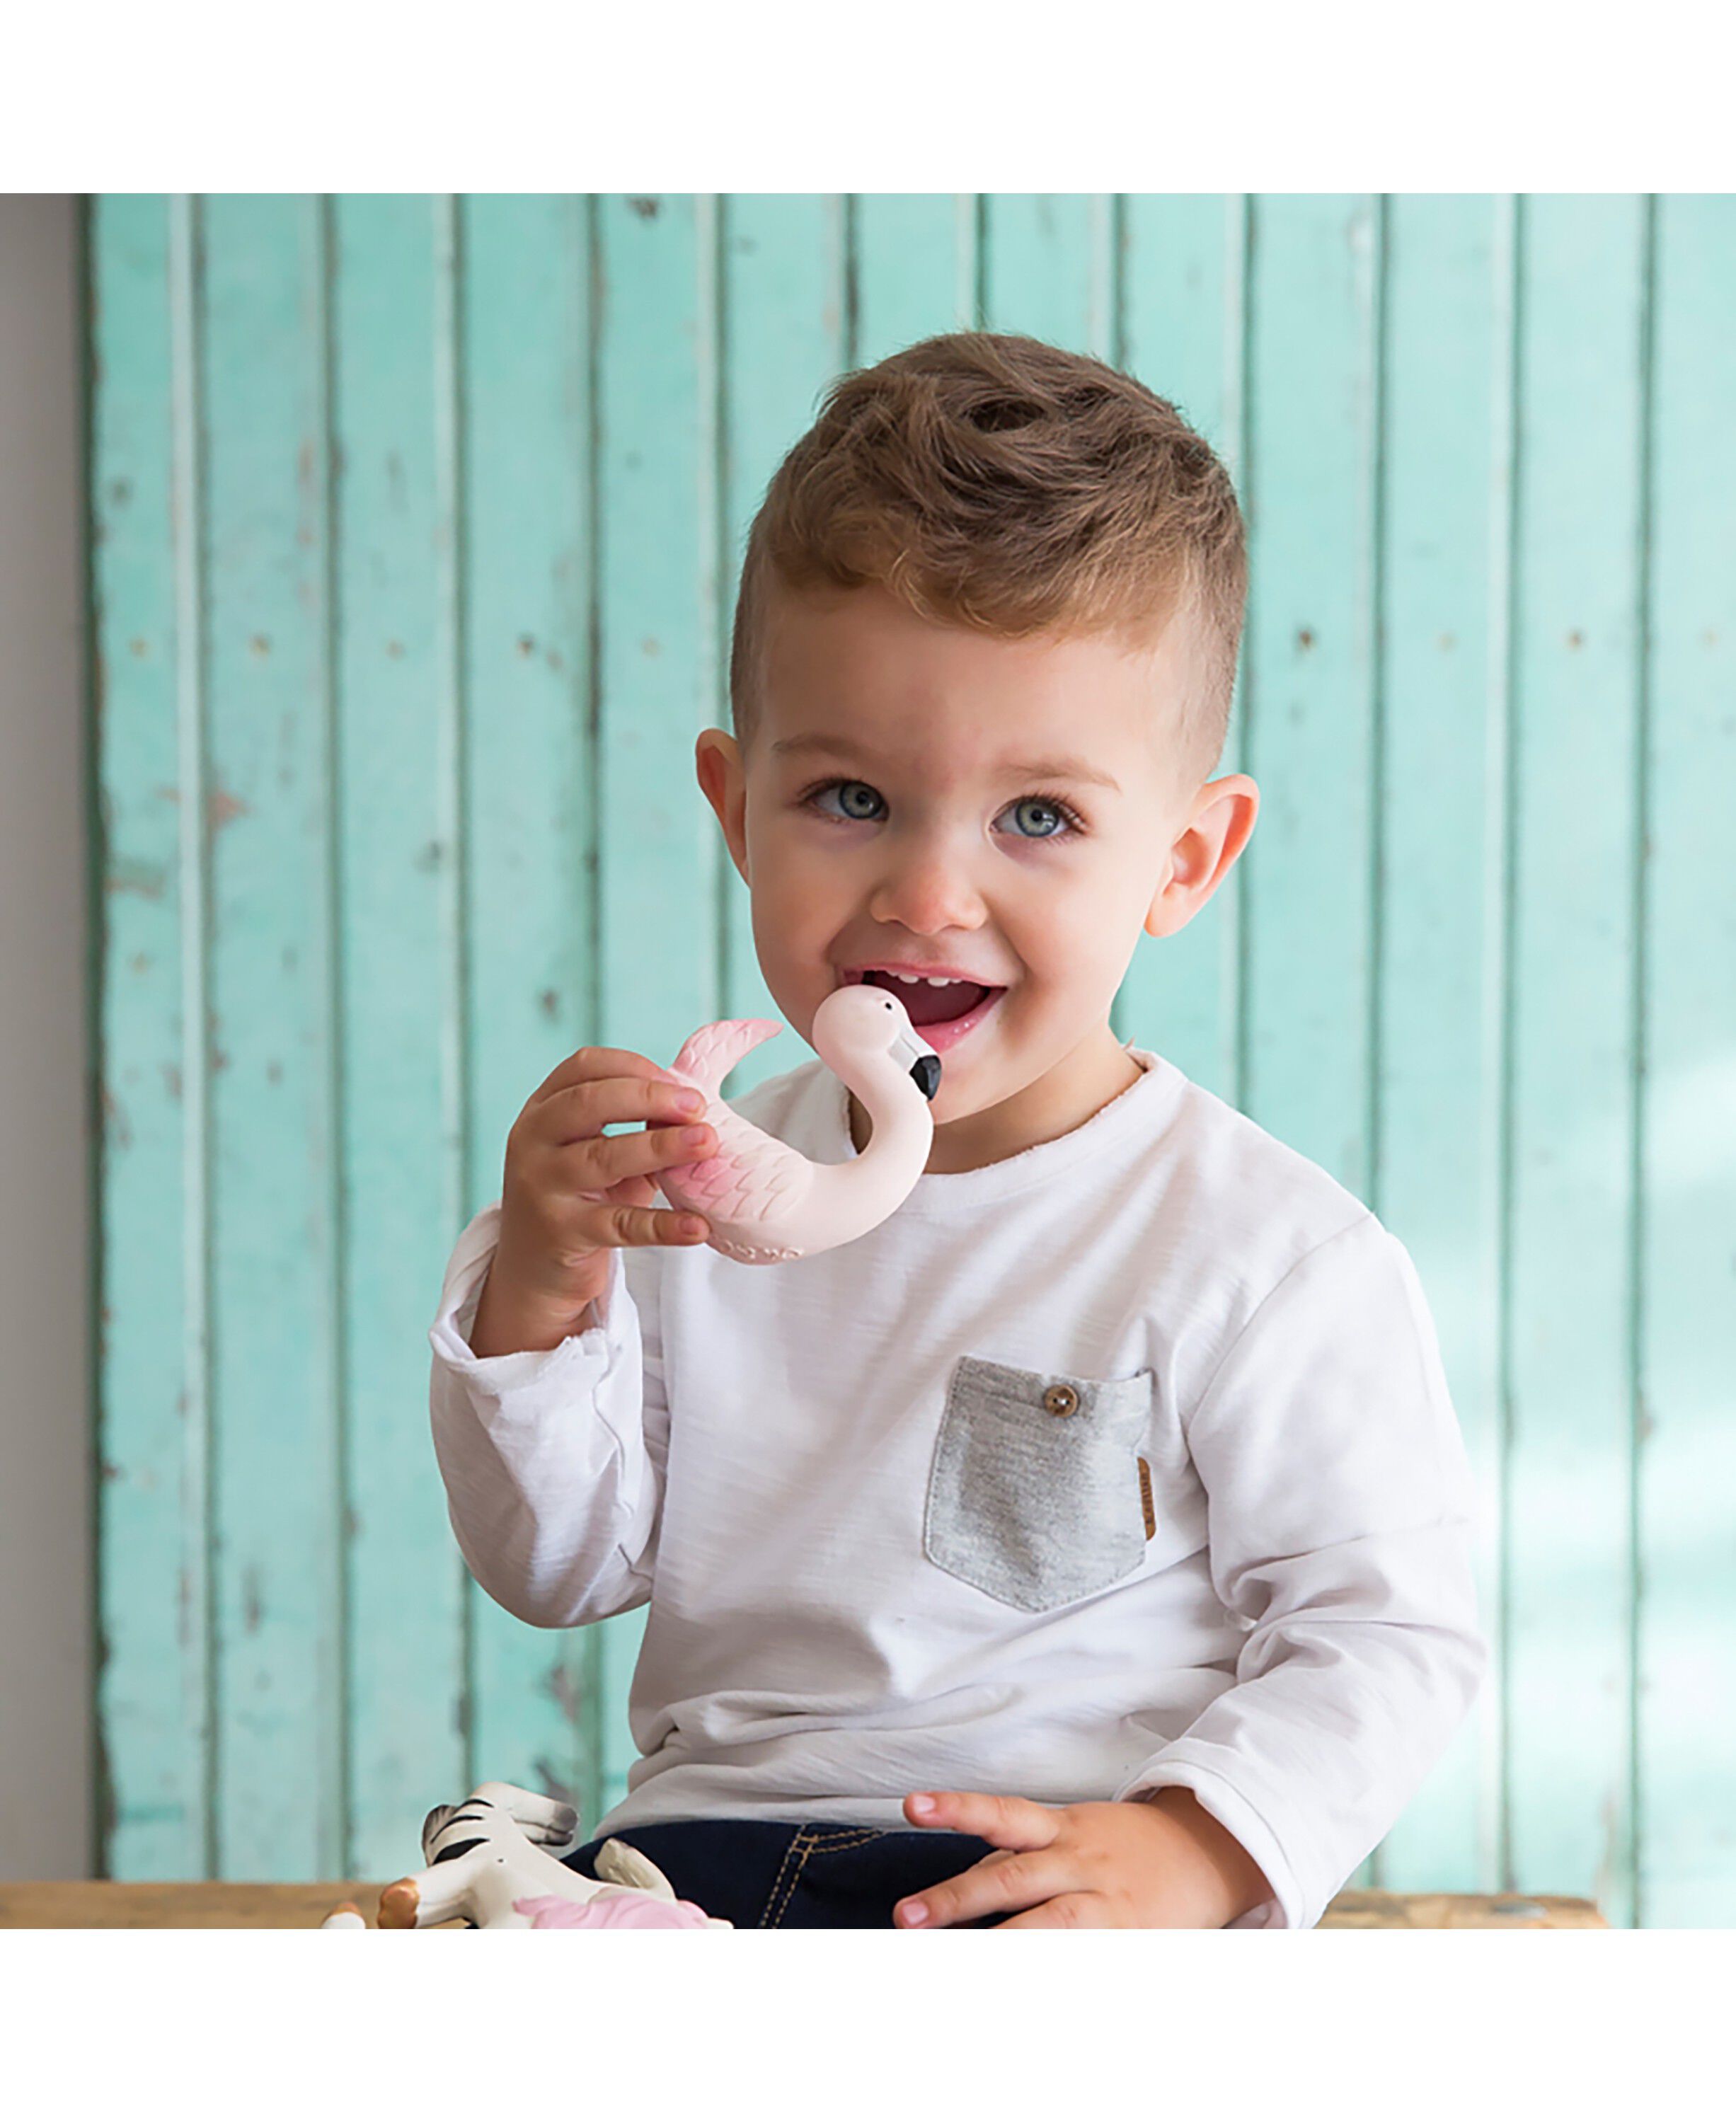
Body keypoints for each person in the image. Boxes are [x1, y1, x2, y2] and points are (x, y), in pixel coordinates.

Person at [425, 330, 1486, 1930]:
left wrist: (1200, 1847)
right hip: (692, 1869)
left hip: (1032, 1884)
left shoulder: (1260, 1252)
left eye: (1039, 818)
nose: (929, 896)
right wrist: (545, 1290)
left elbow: (1389, 1633)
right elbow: (558, 1570)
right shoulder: (695, 1187)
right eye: (851, 796)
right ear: (736, 806)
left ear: (1186, 862)